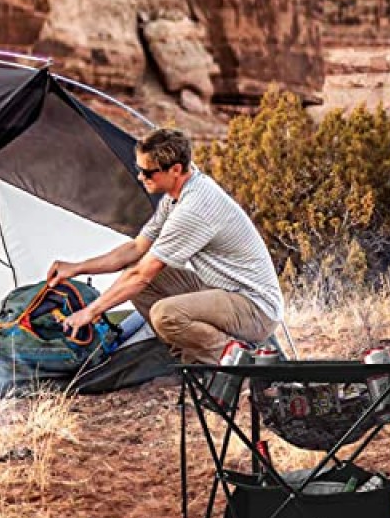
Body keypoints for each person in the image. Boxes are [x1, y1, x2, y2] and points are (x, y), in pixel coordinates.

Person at [47, 128, 284, 364]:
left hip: (254, 308)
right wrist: (76, 268)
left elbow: (142, 275)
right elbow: (136, 250)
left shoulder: (194, 208)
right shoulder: (177, 194)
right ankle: (190, 354)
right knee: (136, 267)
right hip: (222, 289)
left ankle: (235, 357)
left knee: (164, 314)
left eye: (147, 172)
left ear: (176, 170)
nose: (140, 177)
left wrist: (90, 312)